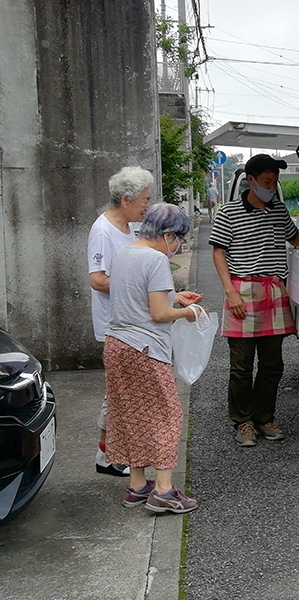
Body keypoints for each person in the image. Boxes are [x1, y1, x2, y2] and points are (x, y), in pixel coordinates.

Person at [210, 153, 299, 447]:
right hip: (243, 290)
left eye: (274, 181)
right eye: (266, 181)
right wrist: (230, 291)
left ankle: (264, 418)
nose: (272, 186)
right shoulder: (229, 212)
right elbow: (218, 252)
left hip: (274, 289)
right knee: (241, 365)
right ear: (250, 180)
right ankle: (242, 422)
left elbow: (294, 238)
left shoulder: (277, 210)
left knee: (272, 363)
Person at [104, 203, 203, 514]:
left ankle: (136, 486)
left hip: (116, 345)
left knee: (132, 416)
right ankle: (163, 490)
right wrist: (189, 312)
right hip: (144, 349)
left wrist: (175, 295)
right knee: (166, 416)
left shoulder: (127, 254)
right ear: (168, 234)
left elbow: (138, 295)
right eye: (178, 240)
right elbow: (159, 314)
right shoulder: (156, 259)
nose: (178, 247)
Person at [87, 166, 152, 477]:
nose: (147, 206)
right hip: (116, 325)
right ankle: (109, 455)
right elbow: (98, 280)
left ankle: (110, 454)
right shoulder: (103, 231)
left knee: (118, 391)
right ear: (126, 199)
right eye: (144, 200)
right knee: (119, 392)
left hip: (131, 320)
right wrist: (139, 284)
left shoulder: (128, 227)